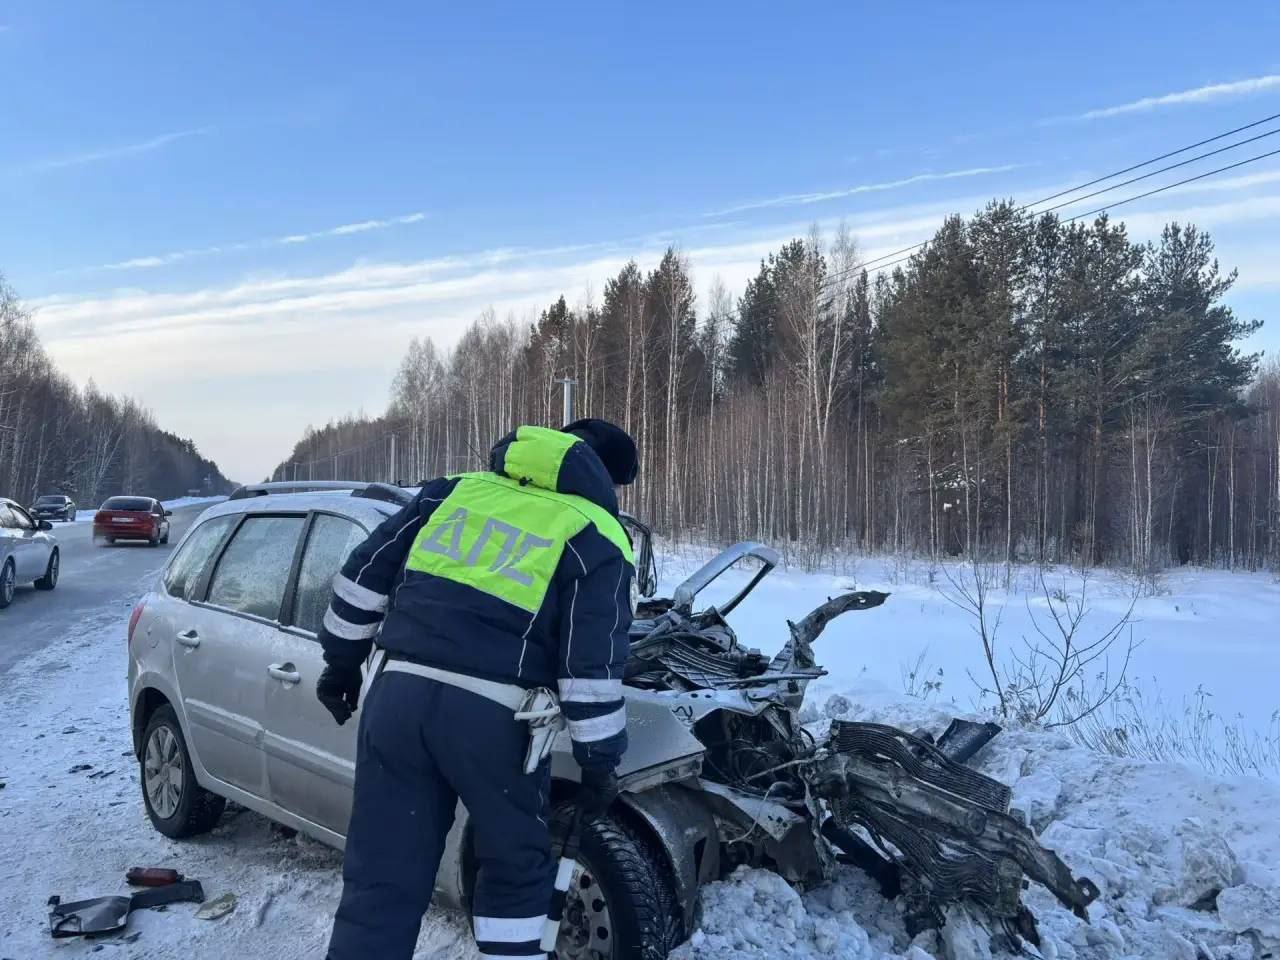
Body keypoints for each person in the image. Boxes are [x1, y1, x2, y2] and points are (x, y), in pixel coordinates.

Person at [315, 419, 638, 960]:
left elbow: (360, 578)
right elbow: (591, 666)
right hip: (494, 722)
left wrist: (342, 663)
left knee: (382, 872)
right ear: (605, 477)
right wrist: (599, 759)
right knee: (516, 872)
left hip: (396, 700)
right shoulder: (596, 533)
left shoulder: (454, 492)